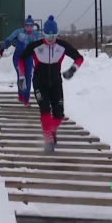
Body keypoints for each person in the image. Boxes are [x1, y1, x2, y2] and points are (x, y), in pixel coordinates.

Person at [17, 15, 83, 153]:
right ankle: (48, 140)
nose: (51, 38)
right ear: (43, 34)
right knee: (45, 110)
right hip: (39, 83)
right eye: (48, 35)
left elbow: (79, 58)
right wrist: (22, 76)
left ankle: (51, 131)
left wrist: (72, 69)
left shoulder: (62, 46)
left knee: (59, 114)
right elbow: (21, 59)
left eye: (54, 35)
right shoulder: (36, 46)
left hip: (55, 83)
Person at [0, 15, 40, 106]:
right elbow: (8, 39)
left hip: (28, 58)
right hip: (18, 57)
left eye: (30, 26)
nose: (28, 28)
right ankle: (21, 94)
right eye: (27, 26)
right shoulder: (19, 32)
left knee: (28, 77)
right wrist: (2, 49)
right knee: (21, 75)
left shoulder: (35, 35)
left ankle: (26, 99)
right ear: (24, 25)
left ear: (33, 26)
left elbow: (42, 45)